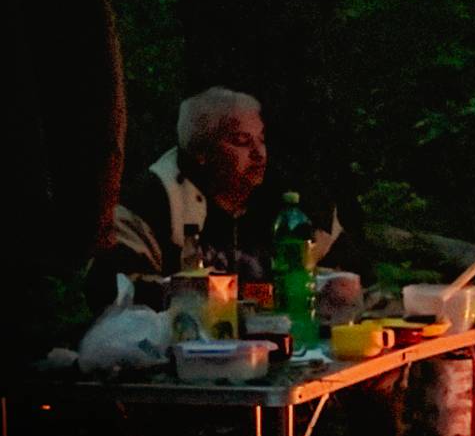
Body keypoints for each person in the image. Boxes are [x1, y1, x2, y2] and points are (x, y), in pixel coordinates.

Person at [95, 86, 347, 304]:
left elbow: (348, 276)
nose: (259, 154)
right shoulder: (155, 202)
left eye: (261, 139)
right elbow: (118, 290)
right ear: (201, 151)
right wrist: (218, 297)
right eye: (241, 141)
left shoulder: (292, 205)